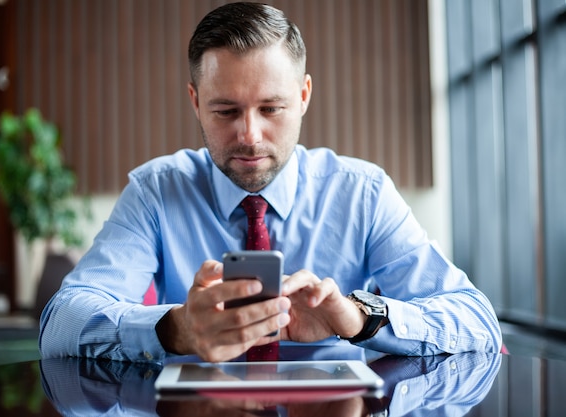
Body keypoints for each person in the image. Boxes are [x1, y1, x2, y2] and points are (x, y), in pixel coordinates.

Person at [39, 2, 502, 363]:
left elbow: (478, 322)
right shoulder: (156, 191)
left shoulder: (363, 192)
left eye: (271, 108)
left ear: (303, 96)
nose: (249, 135)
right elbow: (60, 323)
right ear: (195, 101)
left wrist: (359, 319)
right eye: (225, 111)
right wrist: (174, 329)